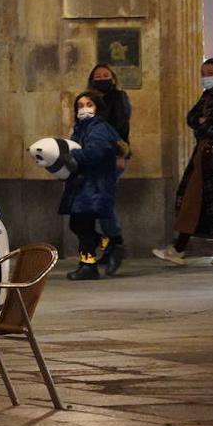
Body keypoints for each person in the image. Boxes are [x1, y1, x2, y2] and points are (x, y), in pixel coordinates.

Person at [153, 58, 213, 266]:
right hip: (205, 152)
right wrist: (200, 122)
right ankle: (179, 248)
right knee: (193, 199)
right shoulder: (208, 95)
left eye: (209, 72)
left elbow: (211, 127)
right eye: (203, 73)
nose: (205, 77)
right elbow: (191, 117)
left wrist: (202, 123)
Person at [60, 90, 123, 281]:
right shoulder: (81, 128)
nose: (84, 109)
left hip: (94, 183)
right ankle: (108, 245)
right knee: (79, 223)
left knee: (82, 223)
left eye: (89, 105)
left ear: (97, 107)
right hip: (84, 183)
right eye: (80, 106)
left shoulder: (99, 128)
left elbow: (95, 152)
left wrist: (71, 155)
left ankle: (88, 265)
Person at [86, 63, 132, 272]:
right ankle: (110, 246)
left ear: (113, 78)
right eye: (98, 75)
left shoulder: (118, 97)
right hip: (91, 156)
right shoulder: (88, 99)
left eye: (106, 75)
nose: (102, 78)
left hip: (111, 156)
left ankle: (116, 243)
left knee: (103, 202)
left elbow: (120, 126)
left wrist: (119, 154)